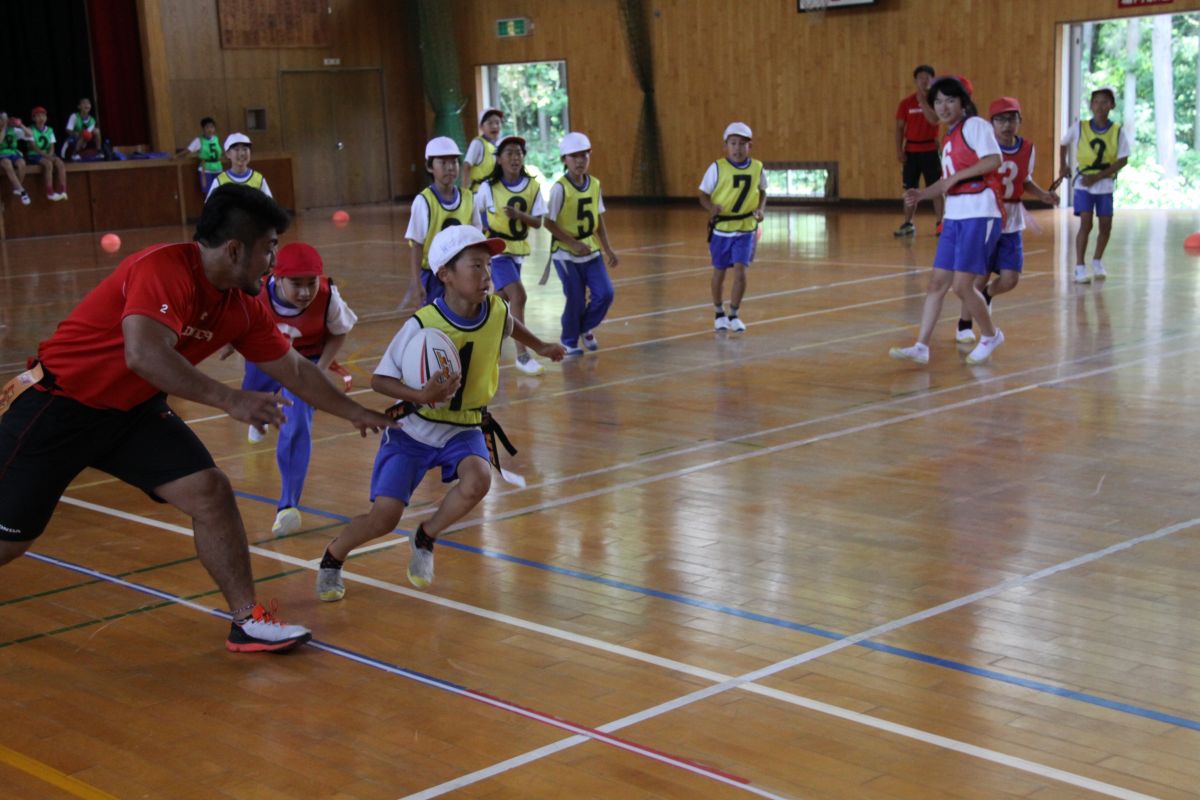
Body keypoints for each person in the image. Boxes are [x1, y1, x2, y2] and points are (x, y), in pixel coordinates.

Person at [0, 184, 396, 653]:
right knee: (11, 542)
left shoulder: (242, 308)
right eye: (268, 249)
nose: (273, 262)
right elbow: (144, 354)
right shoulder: (162, 269)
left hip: (130, 414)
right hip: (56, 407)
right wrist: (232, 399)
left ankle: (247, 619)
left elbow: (293, 370)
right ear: (234, 249)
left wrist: (356, 412)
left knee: (211, 491)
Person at [314, 226, 566, 600]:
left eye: (488, 266)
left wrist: (542, 346)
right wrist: (420, 393)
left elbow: (509, 325)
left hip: (463, 426)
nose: (486, 275)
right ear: (445, 275)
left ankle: (426, 535)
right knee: (384, 518)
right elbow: (381, 380)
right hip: (414, 429)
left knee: (479, 480)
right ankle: (333, 557)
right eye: (476, 266)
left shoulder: (495, 309)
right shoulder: (422, 325)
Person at [230, 242, 358, 537]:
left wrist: (319, 369)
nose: (304, 292)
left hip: (306, 361)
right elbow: (233, 322)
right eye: (296, 284)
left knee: (297, 424)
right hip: (264, 358)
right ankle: (259, 419)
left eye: (310, 283)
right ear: (277, 277)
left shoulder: (327, 296)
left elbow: (340, 332)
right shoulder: (254, 293)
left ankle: (288, 504)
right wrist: (228, 342)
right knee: (255, 400)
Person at [889, 75, 1005, 367]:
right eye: (938, 101)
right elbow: (946, 181)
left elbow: (993, 160)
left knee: (963, 286)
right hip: (954, 215)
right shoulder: (950, 136)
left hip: (979, 212)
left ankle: (990, 334)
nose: (943, 106)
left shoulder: (975, 126)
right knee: (937, 283)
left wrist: (955, 177)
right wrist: (921, 193)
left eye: (949, 100)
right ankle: (921, 346)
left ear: (963, 103)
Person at [956, 97, 1059, 343]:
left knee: (1011, 278)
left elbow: (1024, 179)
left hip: (1012, 220)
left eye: (1011, 118)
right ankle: (964, 324)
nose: (1006, 124)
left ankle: (988, 296)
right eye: (1000, 119)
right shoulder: (984, 148)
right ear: (991, 124)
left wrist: (1043, 194)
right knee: (976, 277)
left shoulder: (1027, 148)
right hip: (986, 217)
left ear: (1019, 121)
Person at [476, 135, 549, 375]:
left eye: (518, 152)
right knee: (519, 296)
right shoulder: (488, 187)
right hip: (497, 250)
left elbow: (538, 223)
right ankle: (523, 354)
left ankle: (484, 346)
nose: (515, 157)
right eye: (509, 153)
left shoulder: (532, 186)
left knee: (499, 303)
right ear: (498, 159)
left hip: (518, 249)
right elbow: (475, 216)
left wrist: (519, 216)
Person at [543, 132, 619, 356]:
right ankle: (568, 339)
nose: (579, 161)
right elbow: (548, 223)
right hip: (565, 254)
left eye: (583, 155)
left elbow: (599, 219)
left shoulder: (594, 184)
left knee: (605, 293)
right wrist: (572, 243)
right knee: (575, 297)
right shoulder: (560, 188)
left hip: (591, 250)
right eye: (573, 156)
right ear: (564, 159)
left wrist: (607, 248)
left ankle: (584, 326)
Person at [698, 122, 766, 333]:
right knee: (719, 271)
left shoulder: (757, 167)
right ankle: (719, 312)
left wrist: (761, 210)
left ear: (750, 146)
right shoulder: (717, 168)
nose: (737, 148)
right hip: (722, 229)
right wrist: (711, 208)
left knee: (740, 271)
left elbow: (763, 191)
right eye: (733, 143)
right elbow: (702, 194)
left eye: (742, 144)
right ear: (725, 145)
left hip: (745, 228)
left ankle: (734, 313)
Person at [1059, 86, 1131, 284]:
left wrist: (1098, 177)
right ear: (1091, 105)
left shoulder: (1117, 131)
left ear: (1112, 105)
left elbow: (1123, 159)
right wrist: (1063, 166)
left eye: (1104, 102)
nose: (1100, 106)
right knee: (1086, 223)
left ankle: (1097, 260)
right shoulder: (1080, 127)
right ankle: (1080, 267)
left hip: (1105, 184)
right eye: (1096, 102)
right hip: (1084, 183)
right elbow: (1063, 143)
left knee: (1106, 225)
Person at [401, 136, 482, 309]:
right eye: (442, 163)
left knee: (463, 318)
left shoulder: (469, 198)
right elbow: (416, 245)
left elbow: (477, 239)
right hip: (433, 275)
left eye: (454, 162)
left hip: (462, 273)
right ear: (430, 166)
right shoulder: (424, 201)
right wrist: (417, 283)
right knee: (435, 324)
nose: (450, 168)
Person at [895, 65, 943, 237]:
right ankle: (908, 223)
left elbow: (935, 121)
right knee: (910, 189)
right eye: (921, 77)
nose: (924, 80)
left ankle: (940, 224)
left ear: (932, 80)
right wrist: (899, 150)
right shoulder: (906, 103)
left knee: (936, 189)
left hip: (930, 149)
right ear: (915, 81)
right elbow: (899, 128)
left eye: (928, 77)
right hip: (911, 150)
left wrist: (923, 102)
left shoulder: (937, 101)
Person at [206, 133, 272, 200]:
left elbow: (270, 206)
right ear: (228, 154)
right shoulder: (219, 181)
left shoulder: (259, 179)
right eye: (236, 149)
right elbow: (209, 207)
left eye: (245, 149)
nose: (242, 153)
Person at [26, 107, 68, 201]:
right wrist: (47, 157)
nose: (41, 118)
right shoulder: (30, 129)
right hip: (34, 155)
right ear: (33, 118)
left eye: (43, 115)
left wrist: (50, 155)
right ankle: (50, 192)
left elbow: (52, 146)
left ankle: (63, 190)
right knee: (48, 164)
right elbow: (34, 147)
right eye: (38, 116)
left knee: (60, 163)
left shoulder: (50, 130)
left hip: (48, 154)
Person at [180, 117, 224, 196]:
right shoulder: (199, 140)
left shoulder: (216, 139)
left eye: (212, 127)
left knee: (220, 191)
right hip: (205, 169)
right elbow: (188, 150)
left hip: (218, 168)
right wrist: (176, 156)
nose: (210, 129)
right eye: (207, 127)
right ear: (203, 129)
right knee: (208, 192)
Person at [463, 107, 503, 193]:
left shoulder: (500, 145)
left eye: (497, 122)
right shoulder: (478, 143)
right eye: (490, 123)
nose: (495, 126)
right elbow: (467, 166)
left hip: (495, 192)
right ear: (481, 127)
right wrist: (464, 193)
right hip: (479, 193)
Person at [0, 112, 30, 205]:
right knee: (7, 164)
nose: (5, 120)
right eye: (2, 119)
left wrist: (20, 124)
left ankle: (17, 188)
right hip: (2, 154)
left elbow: (29, 134)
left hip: (14, 153)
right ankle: (22, 191)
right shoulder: (3, 129)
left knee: (22, 163)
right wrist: (4, 127)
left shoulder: (13, 130)